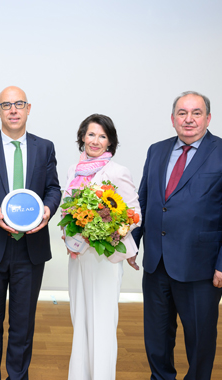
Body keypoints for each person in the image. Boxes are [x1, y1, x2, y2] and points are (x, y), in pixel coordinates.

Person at [131, 91, 222, 380]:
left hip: (202, 268)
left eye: (196, 113)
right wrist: (130, 244)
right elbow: (143, 202)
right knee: (157, 340)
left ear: (208, 118)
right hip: (157, 263)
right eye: (182, 113)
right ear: (172, 119)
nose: (189, 119)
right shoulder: (156, 150)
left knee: (199, 341)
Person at [0, 86, 61, 380]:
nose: (13, 110)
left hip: (30, 250)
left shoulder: (44, 147)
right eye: (6, 105)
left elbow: (53, 189)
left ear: (28, 108)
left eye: (18, 104)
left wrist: (48, 208)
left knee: (23, 325)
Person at [63, 114, 141, 380]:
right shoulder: (74, 170)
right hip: (78, 256)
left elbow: (134, 214)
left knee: (102, 324)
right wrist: (70, 236)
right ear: (82, 137)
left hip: (105, 258)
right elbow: (67, 210)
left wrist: (103, 232)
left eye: (102, 136)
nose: (95, 141)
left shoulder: (118, 172)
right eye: (91, 134)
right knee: (80, 321)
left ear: (110, 142)